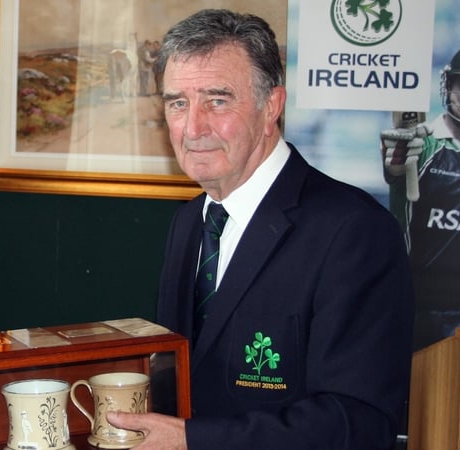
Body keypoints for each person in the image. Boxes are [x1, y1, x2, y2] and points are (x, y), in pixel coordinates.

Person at [106, 9, 414, 449]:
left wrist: (196, 440)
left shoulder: (354, 230)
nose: (193, 128)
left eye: (217, 100)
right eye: (178, 103)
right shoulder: (190, 221)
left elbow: (358, 422)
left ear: (272, 106)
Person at [380, 43, 460, 352]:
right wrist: (396, 160)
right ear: (448, 86)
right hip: (422, 312)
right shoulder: (425, 144)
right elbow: (397, 163)